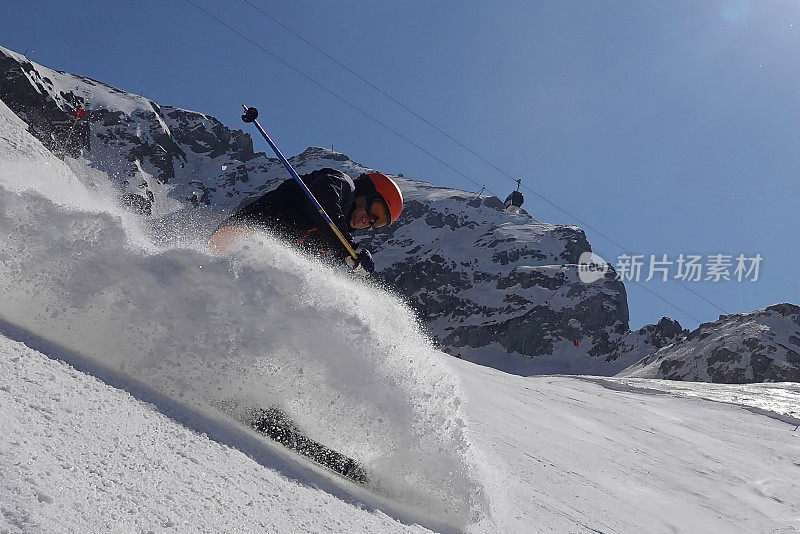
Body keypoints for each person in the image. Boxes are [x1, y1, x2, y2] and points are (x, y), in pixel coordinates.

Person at [208, 168, 403, 274]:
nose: (369, 220)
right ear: (366, 191)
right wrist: (348, 249)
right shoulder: (341, 184)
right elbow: (322, 204)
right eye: (375, 210)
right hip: (244, 231)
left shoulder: (333, 239)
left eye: (377, 222)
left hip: (252, 260)